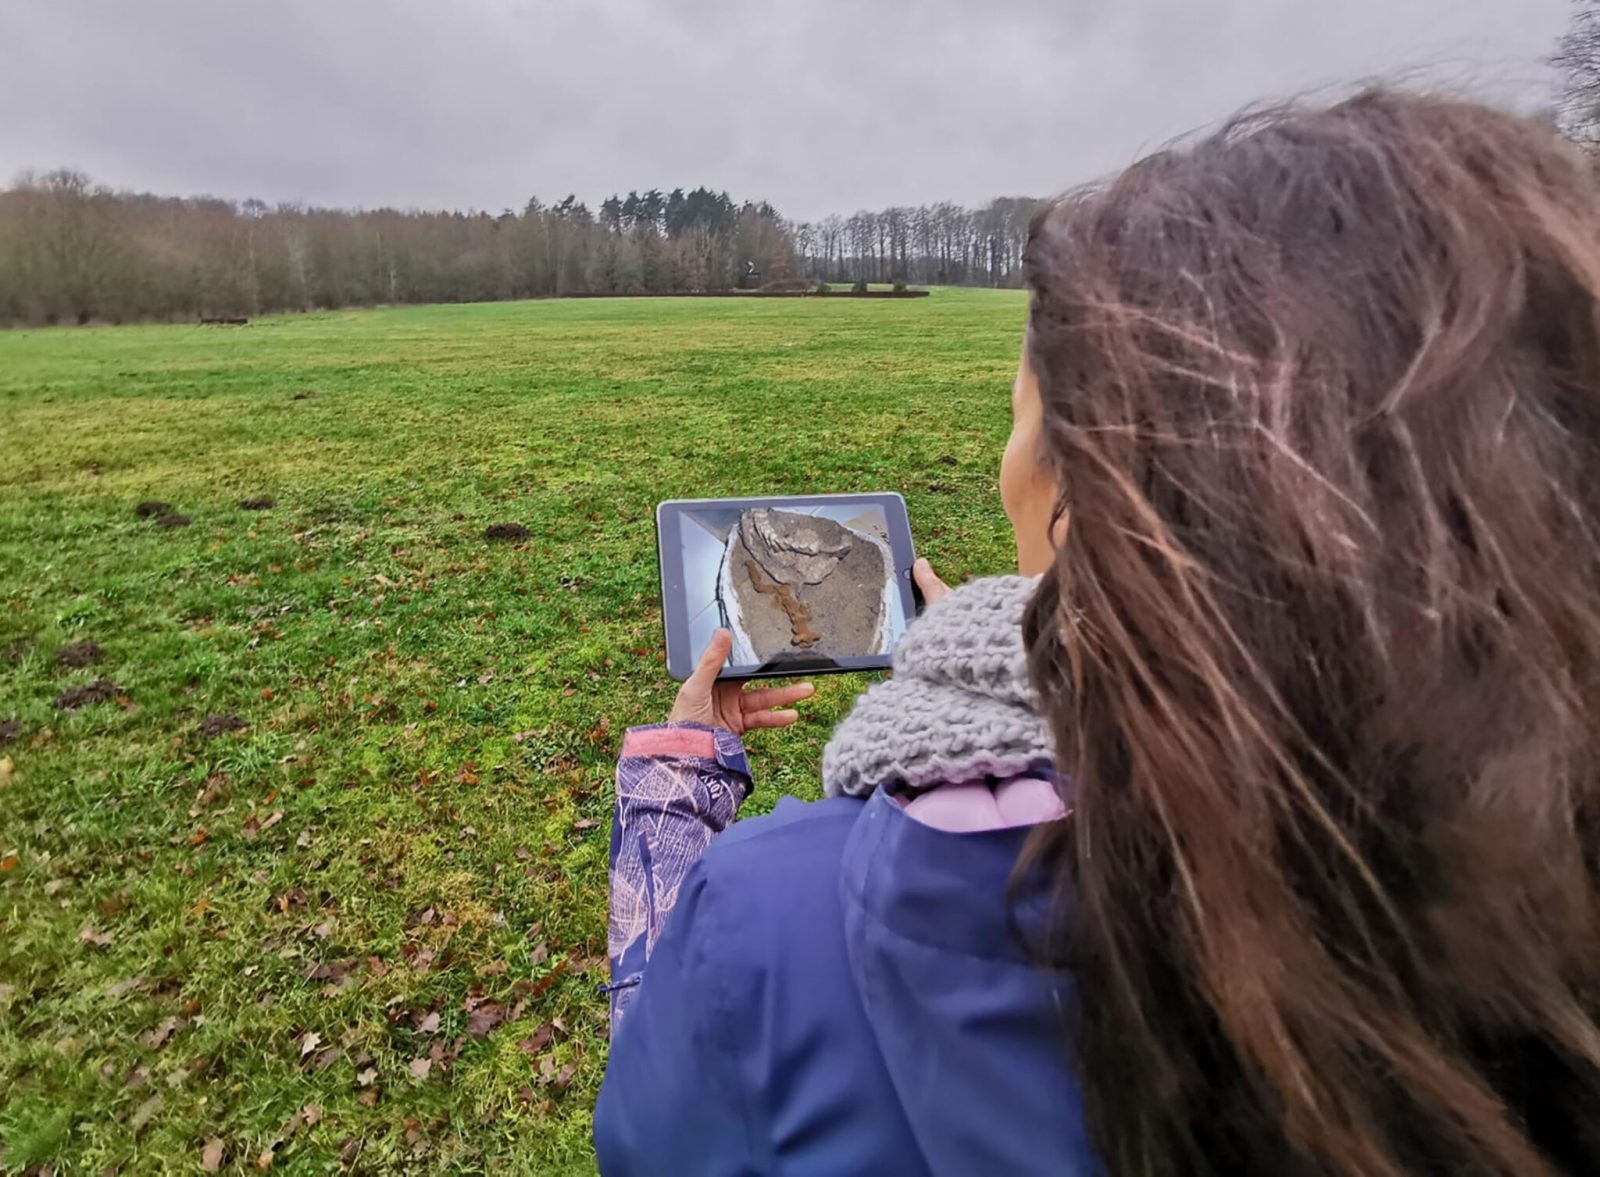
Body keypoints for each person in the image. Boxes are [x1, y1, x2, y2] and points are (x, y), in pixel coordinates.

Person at [596, 90, 1600, 1175]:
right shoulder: (1538, 881)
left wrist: (676, 790)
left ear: (1074, 495)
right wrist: (1060, 647)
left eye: (1029, 418)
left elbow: (657, 1126)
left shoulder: (779, 921)